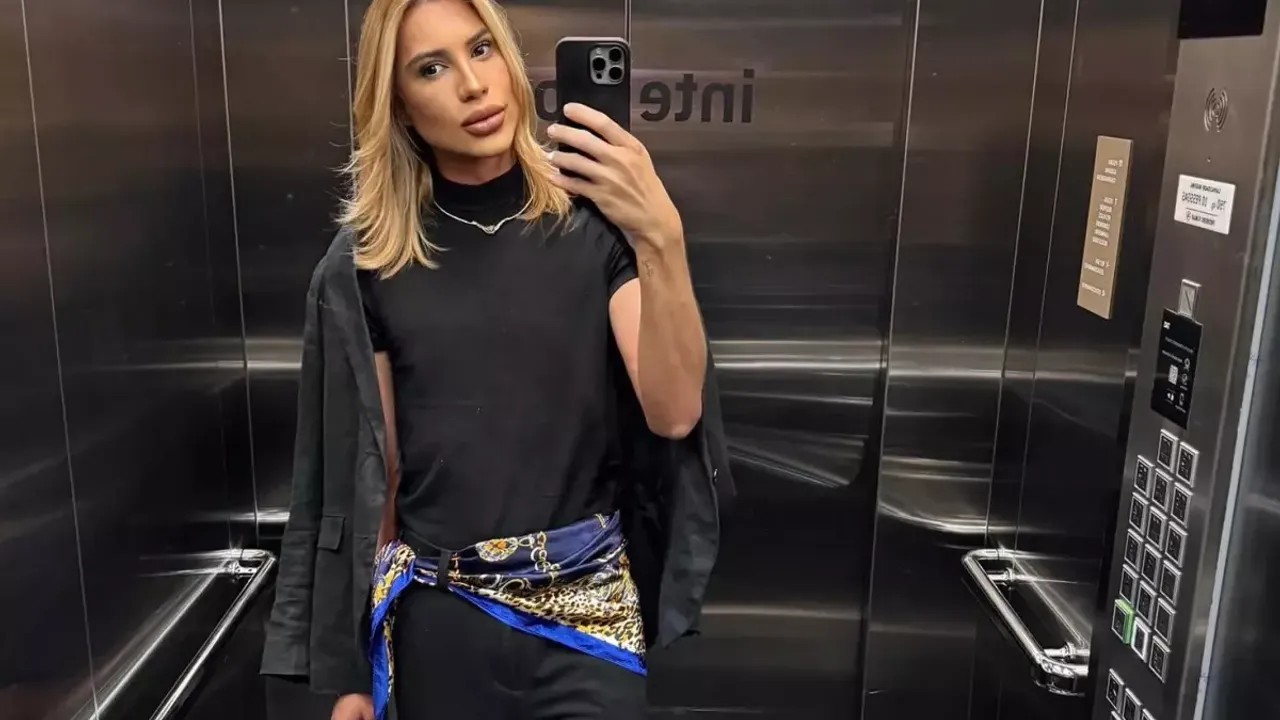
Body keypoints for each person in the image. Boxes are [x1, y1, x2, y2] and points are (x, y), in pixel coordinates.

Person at [258, 1, 735, 719]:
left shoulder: (594, 228)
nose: (473, 85)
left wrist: (660, 236)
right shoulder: (370, 262)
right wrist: (355, 669)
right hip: (441, 621)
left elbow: (673, 412)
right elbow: (376, 476)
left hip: (588, 623)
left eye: (481, 49)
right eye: (432, 68)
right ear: (400, 106)